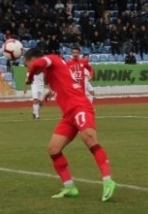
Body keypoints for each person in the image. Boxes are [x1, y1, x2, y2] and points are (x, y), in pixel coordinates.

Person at [24, 48, 116, 201]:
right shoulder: (52, 69)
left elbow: (38, 64)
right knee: (53, 149)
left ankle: (108, 180)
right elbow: (61, 81)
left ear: (32, 59)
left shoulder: (51, 58)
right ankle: (69, 187)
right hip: (68, 115)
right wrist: (50, 91)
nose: (27, 68)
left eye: (26, 64)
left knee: (89, 138)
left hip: (80, 106)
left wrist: (30, 76)